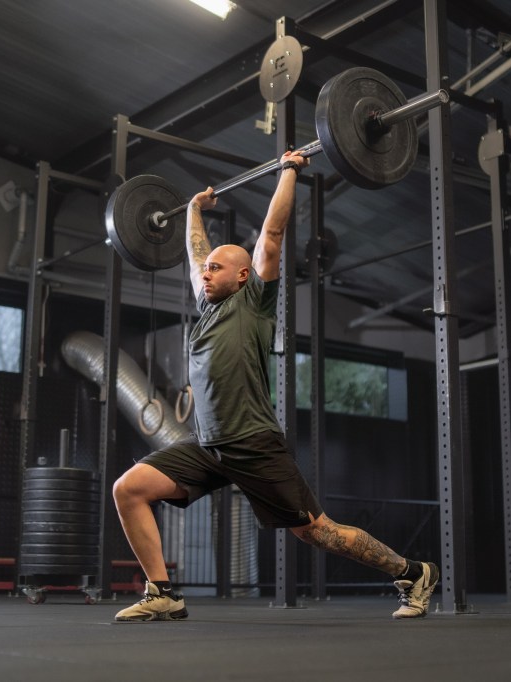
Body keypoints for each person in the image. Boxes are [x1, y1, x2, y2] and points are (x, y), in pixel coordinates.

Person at [111, 149, 438, 622]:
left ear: (243, 276)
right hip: (208, 446)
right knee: (130, 488)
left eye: (217, 269)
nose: (205, 272)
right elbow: (195, 252)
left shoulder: (254, 305)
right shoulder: (206, 308)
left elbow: (272, 236)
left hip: (253, 442)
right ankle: (161, 592)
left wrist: (288, 171)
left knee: (317, 532)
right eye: (205, 270)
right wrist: (193, 210)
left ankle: (413, 572)